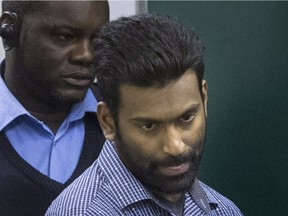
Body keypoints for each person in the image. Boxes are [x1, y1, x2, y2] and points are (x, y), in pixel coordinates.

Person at [45, 14, 243, 216]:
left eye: (187, 118)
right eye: (149, 125)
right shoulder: (79, 212)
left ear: (204, 99)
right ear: (108, 122)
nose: (175, 147)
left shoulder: (224, 211)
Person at [0, 1, 109, 215]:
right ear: (9, 29)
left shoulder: (124, 121)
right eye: (65, 37)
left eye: (98, 39)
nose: (86, 55)